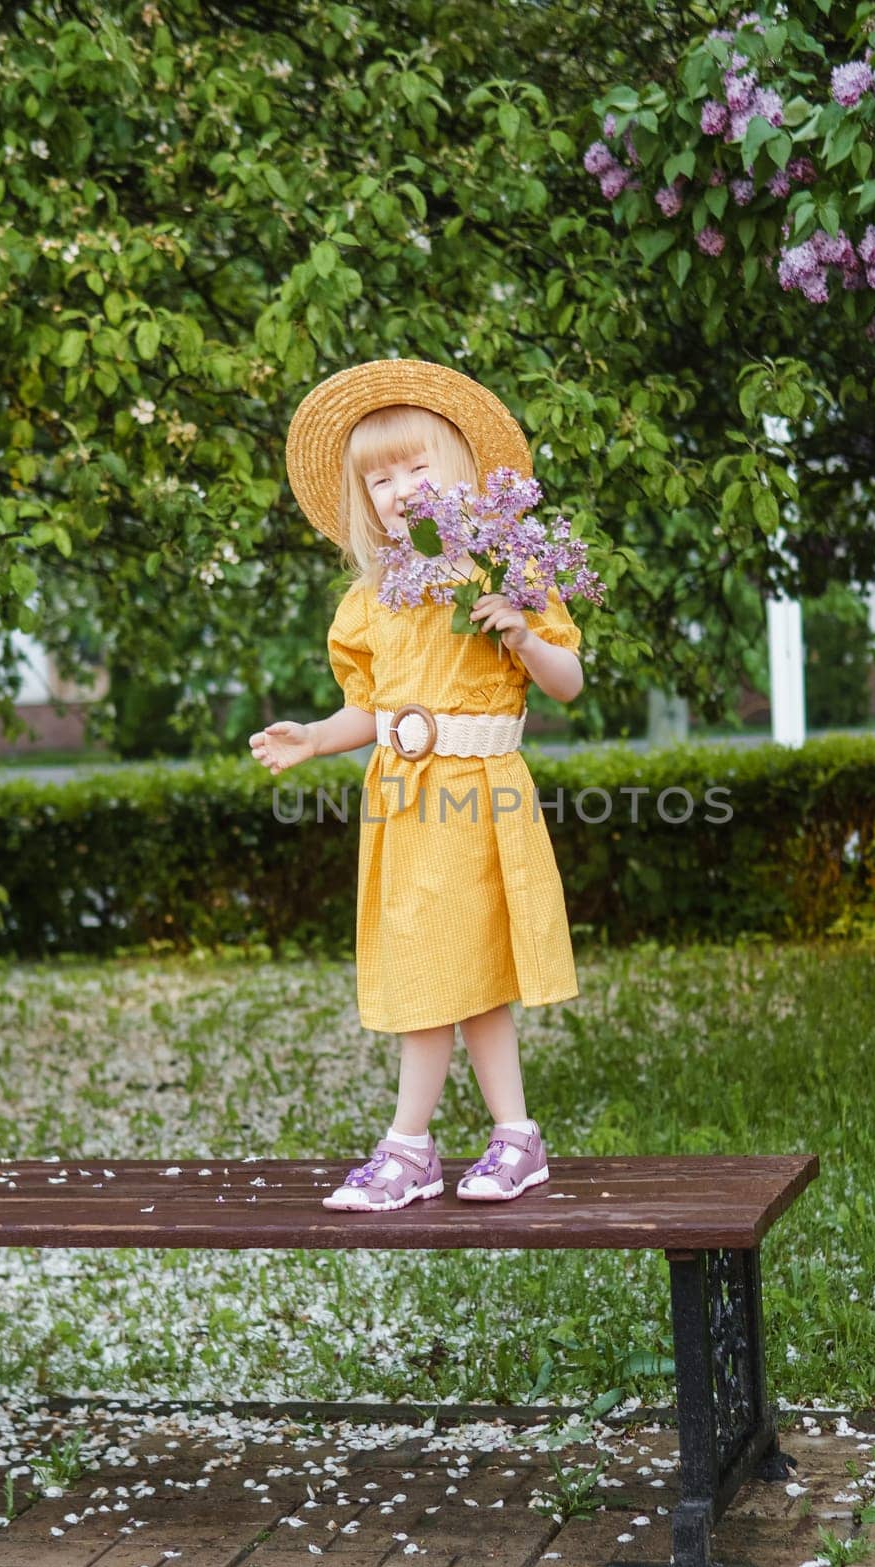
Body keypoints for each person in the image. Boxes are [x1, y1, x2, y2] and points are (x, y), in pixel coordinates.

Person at [249, 359, 584, 1211]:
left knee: (452, 972)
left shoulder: (505, 569)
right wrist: (317, 737)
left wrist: (520, 631)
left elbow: (567, 681)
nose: (400, 489)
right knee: (442, 970)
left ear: (463, 472)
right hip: (404, 803)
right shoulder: (371, 600)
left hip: (481, 799)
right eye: (380, 477)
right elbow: (371, 707)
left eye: (417, 467)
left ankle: (411, 1147)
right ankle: (515, 1138)